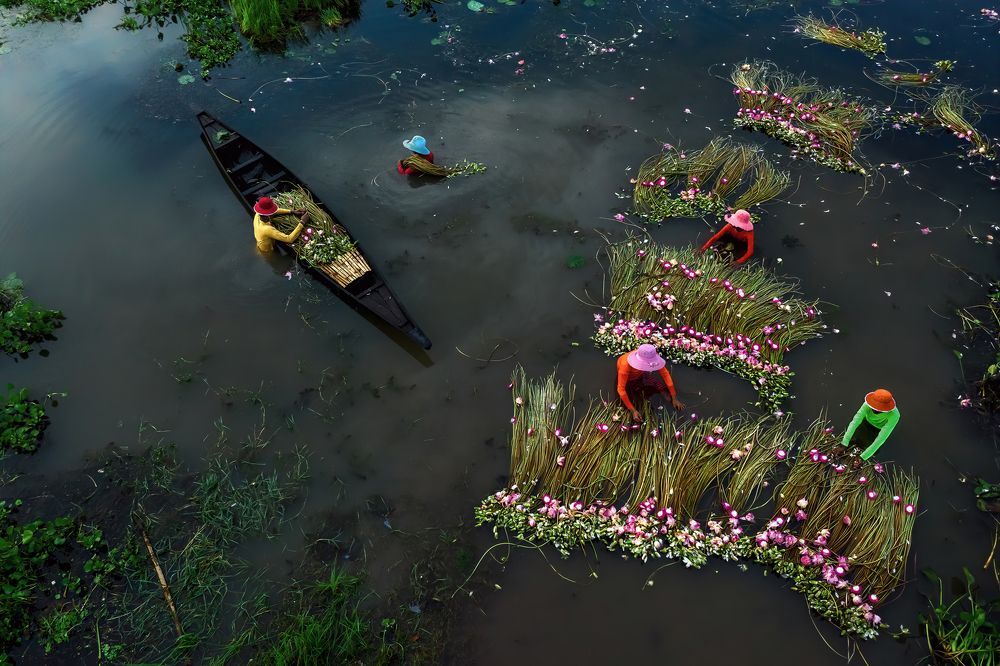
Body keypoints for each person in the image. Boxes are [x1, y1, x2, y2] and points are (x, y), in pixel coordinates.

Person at [616, 344, 684, 421]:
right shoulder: (625, 365)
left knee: (658, 385)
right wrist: (633, 410)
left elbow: (665, 374)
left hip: (642, 373)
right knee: (636, 393)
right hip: (630, 379)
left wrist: (674, 397)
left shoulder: (651, 356)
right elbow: (621, 389)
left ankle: (668, 397)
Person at [841, 389, 900, 461]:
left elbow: (882, 437)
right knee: (853, 440)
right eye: (873, 407)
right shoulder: (867, 404)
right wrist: (844, 443)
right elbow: (855, 422)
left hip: (878, 430)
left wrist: (862, 457)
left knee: (874, 451)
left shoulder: (895, 415)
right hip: (865, 422)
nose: (874, 410)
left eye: (879, 409)